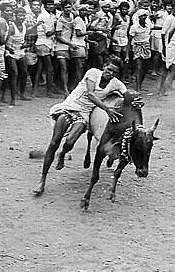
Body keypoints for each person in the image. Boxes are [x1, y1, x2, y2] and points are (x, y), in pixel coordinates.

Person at [33, 57, 126, 196]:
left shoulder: (116, 83)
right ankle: (42, 180)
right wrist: (107, 109)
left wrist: (135, 100)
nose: (111, 73)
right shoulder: (93, 72)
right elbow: (90, 94)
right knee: (54, 142)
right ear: (104, 66)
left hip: (83, 115)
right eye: (109, 69)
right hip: (69, 107)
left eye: (114, 72)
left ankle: (63, 154)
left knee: (70, 142)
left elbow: (128, 94)